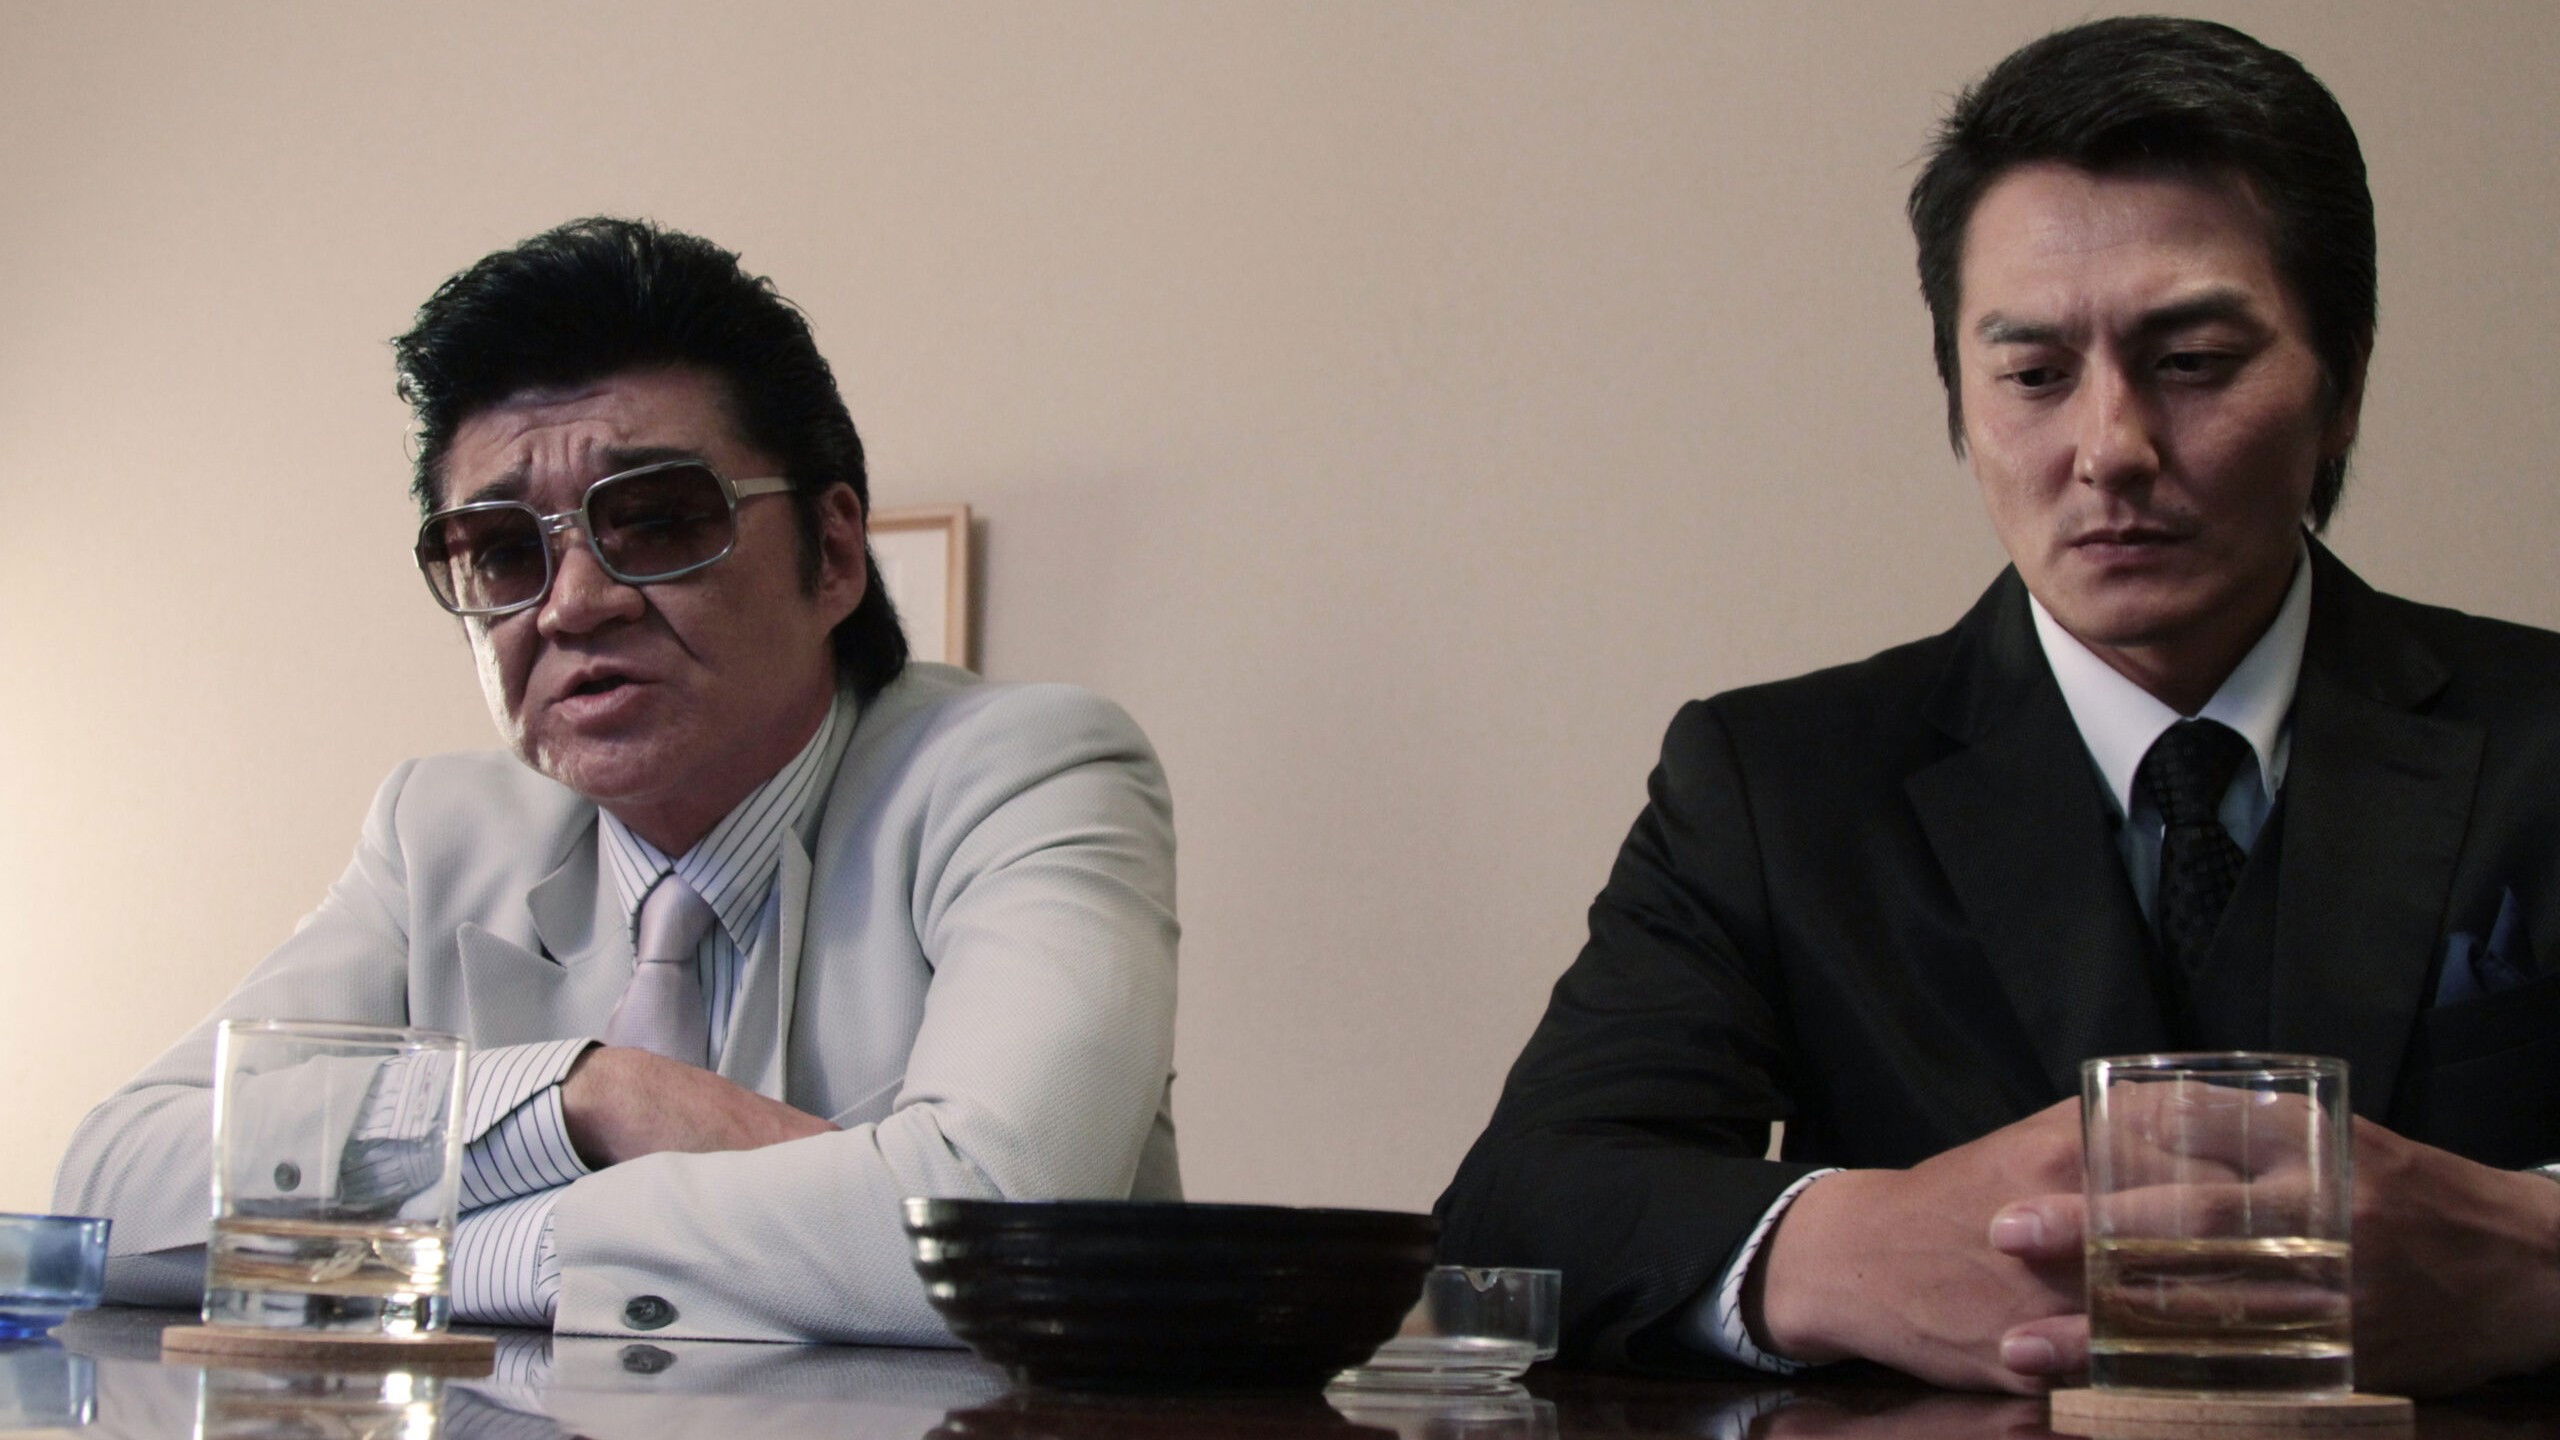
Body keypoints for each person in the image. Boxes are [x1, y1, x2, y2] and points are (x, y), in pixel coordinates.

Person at [1437, 16, 2560, 1396]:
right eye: (2033, 375)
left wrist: (2534, 1251)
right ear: (1959, 404)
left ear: (2343, 384)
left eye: (2193, 361)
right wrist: (1844, 1248)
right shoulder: (1774, 783)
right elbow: (1522, 1205)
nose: (2110, 449)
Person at [54, 218, 1181, 1343]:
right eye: (504, 550)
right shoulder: (437, 834)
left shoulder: (1025, 773)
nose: (573, 603)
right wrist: (585, 1097)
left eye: (656, 522)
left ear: (834, 554)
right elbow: (112, 1189)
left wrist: (468, 1252)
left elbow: (1002, 1234)